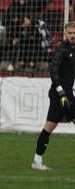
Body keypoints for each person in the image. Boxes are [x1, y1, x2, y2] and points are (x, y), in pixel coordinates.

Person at [32, 21, 75, 171]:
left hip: (69, 93)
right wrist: (60, 91)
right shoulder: (62, 50)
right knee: (50, 126)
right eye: (70, 33)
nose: (72, 35)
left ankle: (36, 160)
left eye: (74, 33)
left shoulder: (73, 49)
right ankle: (37, 160)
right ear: (65, 34)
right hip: (59, 94)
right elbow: (53, 71)